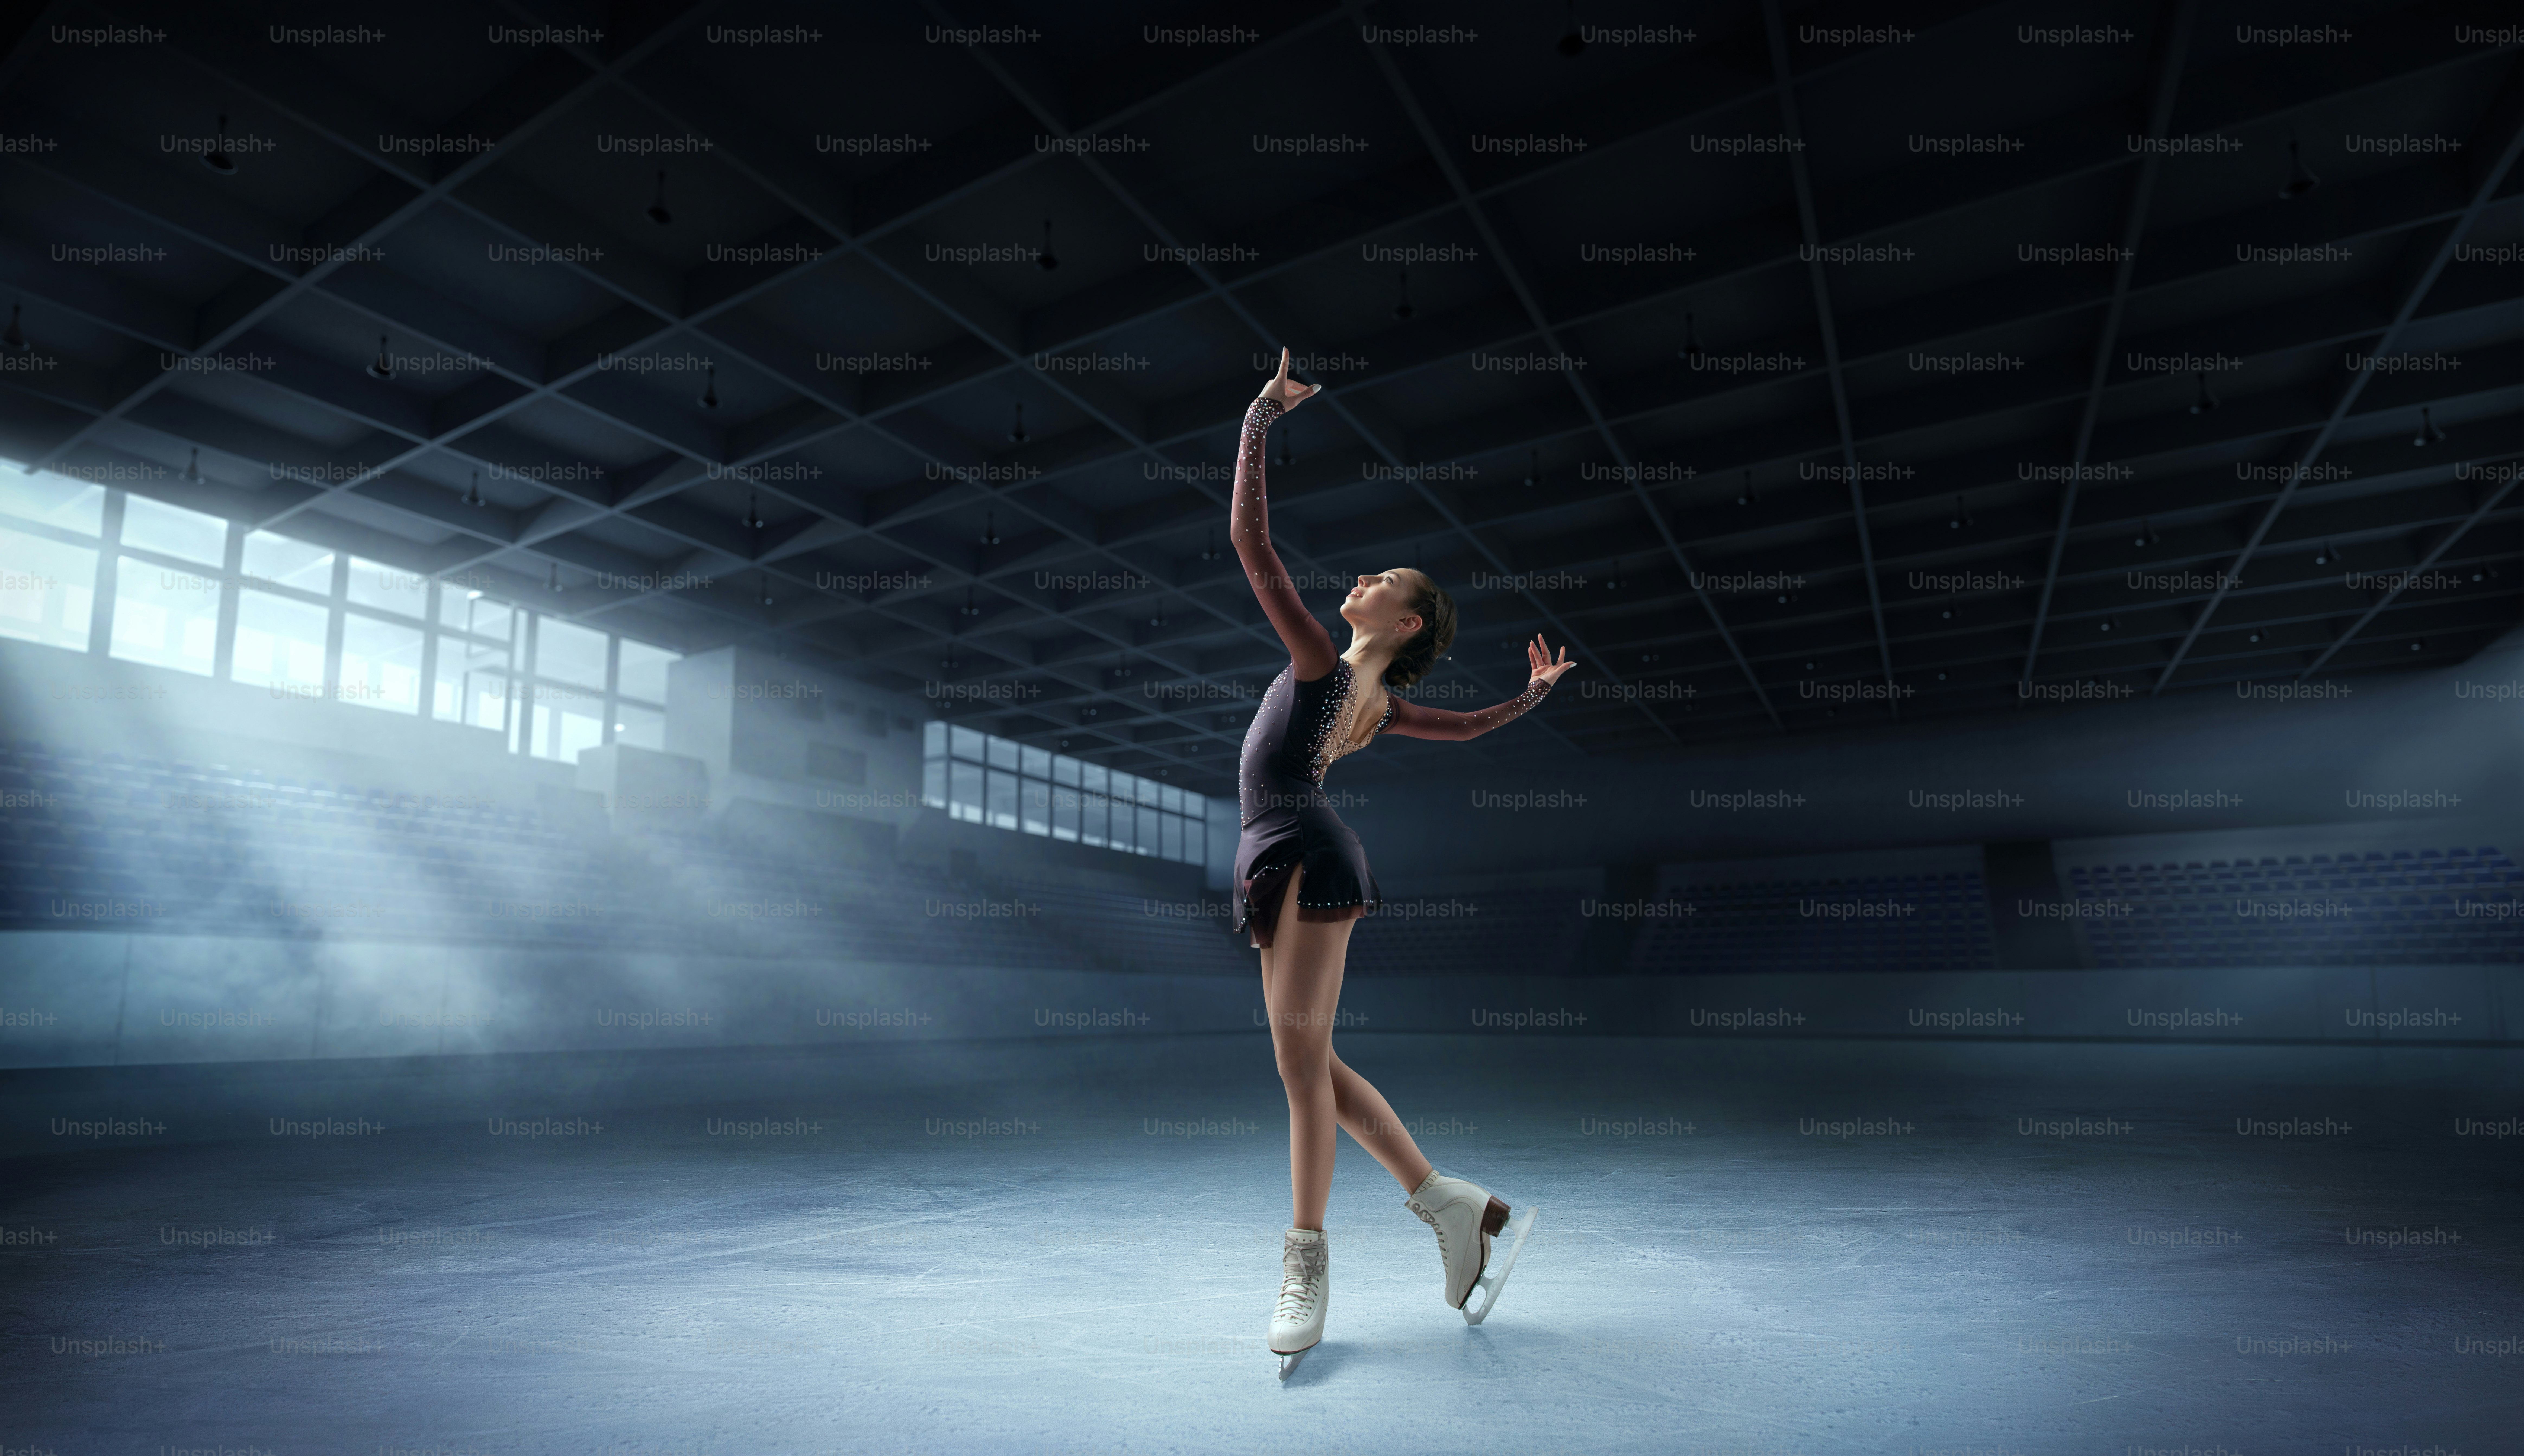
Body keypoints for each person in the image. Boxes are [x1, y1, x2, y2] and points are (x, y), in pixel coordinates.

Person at [1231, 348, 1575, 1368]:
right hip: (1281, 851)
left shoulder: (1326, 670)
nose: (1366, 580)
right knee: (1314, 1062)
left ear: (1405, 621)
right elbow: (1469, 728)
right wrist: (1530, 700)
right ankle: (1451, 1206)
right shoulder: (1372, 707)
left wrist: (1258, 417)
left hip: (1304, 850)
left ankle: (1306, 1260)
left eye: (1387, 582)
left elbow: (1250, 539)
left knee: (1299, 1068)